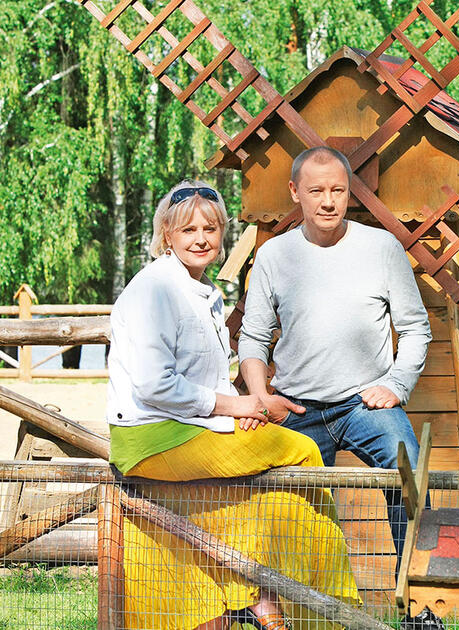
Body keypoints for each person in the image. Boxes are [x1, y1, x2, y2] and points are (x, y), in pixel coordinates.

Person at [107, 180, 359, 630]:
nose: (200, 239)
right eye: (187, 231)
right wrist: (233, 408)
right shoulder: (155, 290)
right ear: (167, 235)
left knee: (239, 492)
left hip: (186, 428)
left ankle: (261, 596)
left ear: (223, 233)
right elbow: (152, 385)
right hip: (150, 436)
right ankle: (322, 603)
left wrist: (245, 406)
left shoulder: (202, 291)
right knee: (300, 452)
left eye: (210, 228)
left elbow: (199, 378)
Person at [238, 147, 437, 629]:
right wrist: (261, 396)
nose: (328, 202)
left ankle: (420, 604)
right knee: (276, 501)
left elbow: (415, 328)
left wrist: (396, 383)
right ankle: (276, 611)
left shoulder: (382, 247)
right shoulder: (274, 254)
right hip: (297, 408)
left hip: (364, 403)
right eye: (316, 191)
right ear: (295, 193)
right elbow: (253, 336)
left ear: (350, 191)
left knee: (410, 470)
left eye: (338, 191)